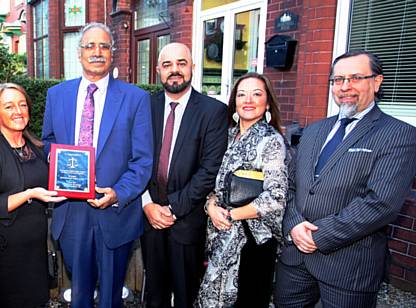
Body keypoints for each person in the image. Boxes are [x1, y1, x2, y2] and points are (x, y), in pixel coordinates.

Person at [275, 51, 416, 307]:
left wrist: (319, 236)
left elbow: (381, 203)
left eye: (355, 78)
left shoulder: (399, 134)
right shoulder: (315, 129)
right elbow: (292, 185)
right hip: (295, 260)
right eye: (338, 79)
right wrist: (295, 225)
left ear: (377, 82)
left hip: (348, 267)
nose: (345, 86)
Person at [42, 22, 153, 308]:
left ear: (112, 54)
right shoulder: (57, 95)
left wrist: (118, 192)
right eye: (90, 46)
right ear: (79, 54)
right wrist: (58, 161)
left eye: (104, 46)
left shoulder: (136, 98)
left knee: (110, 297)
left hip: (116, 213)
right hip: (72, 213)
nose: (97, 52)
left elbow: (143, 159)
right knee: (79, 294)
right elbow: (48, 141)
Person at [140, 42, 227, 308]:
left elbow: (209, 169)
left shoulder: (213, 111)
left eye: (181, 63)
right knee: (155, 294)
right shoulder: (145, 105)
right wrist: (147, 204)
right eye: (167, 65)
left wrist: (173, 209)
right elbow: (134, 158)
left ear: (192, 67)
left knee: (187, 295)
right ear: (157, 70)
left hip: (188, 221)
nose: (174, 70)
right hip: (150, 219)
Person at [196, 73, 289, 308]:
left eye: (256, 94)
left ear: (267, 103)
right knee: (211, 298)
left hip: (252, 240)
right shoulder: (225, 135)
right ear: (234, 101)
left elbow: (276, 197)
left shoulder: (271, 141)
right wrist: (210, 206)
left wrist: (231, 215)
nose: (248, 100)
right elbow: (212, 181)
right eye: (242, 94)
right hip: (219, 233)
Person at [0, 83, 65, 308]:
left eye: (22, 104)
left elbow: (54, 181)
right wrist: (29, 193)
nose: (18, 111)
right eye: (9, 106)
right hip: (8, 250)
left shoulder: (36, 147)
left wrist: (80, 182)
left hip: (35, 248)